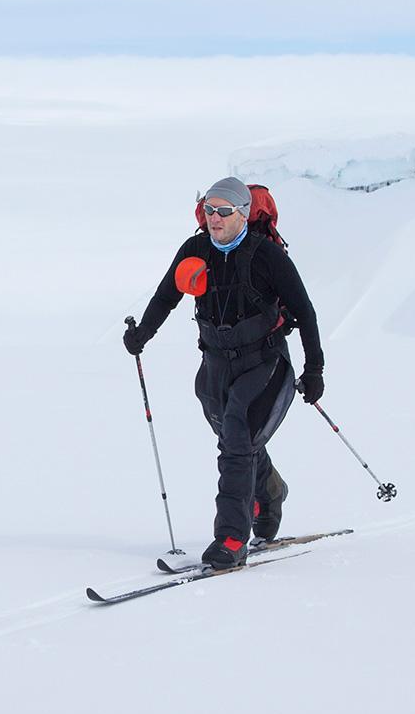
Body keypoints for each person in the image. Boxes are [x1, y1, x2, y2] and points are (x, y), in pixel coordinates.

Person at [122, 177, 324, 569]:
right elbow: (167, 295)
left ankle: (232, 539)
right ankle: (271, 491)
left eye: (224, 211)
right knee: (238, 441)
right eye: (208, 210)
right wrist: (142, 334)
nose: (214, 218)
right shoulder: (196, 249)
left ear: (243, 214)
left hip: (264, 364)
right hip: (214, 366)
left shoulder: (266, 256)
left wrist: (314, 369)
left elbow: (306, 312)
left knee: (235, 442)